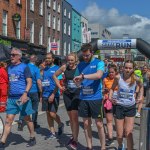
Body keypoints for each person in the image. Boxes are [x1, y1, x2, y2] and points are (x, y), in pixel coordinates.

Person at [0, 48, 36, 149]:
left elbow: (29, 81)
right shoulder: (9, 68)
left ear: (19, 56)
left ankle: (32, 136)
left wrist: (25, 94)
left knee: (27, 118)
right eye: (11, 55)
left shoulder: (25, 67)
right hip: (11, 98)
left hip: (22, 97)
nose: (11, 56)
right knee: (8, 120)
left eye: (13, 55)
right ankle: (2, 142)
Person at [73, 43, 106, 150]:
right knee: (86, 124)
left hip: (96, 98)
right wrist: (77, 82)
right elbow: (78, 83)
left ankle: (103, 147)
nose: (85, 57)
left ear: (92, 53)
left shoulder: (99, 63)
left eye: (87, 55)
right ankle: (89, 147)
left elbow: (99, 75)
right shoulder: (80, 65)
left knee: (99, 124)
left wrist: (83, 76)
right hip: (83, 98)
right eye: (84, 55)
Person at [109, 60, 143, 150]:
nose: (128, 70)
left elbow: (141, 85)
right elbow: (112, 89)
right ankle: (120, 146)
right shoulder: (118, 77)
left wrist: (140, 97)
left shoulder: (136, 78)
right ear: (123, 68)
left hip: (130, 107)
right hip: (119, 106)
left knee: (129, 132)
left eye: (130, 68)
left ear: (133, 69)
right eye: (126, 67)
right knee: (120, 134)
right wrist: (110, 98)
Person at [53, 52, 80, 150]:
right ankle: (73, 137)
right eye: (68, 60)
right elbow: (54, 76)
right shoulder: (64, 67)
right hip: (67, 94)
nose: (70, 62)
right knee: (71, 118)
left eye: (72, 60)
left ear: (75, 60)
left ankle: (75, 140)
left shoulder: (79, 68)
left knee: (75, 117)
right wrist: (60, 87)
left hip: (76, 94)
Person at [41, 52, 64, 139]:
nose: (47, 60)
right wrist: (41, 95)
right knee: (47, 113)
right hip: (45, 95)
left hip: (54, 95)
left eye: (49, 58)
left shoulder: (57, 68)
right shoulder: (45, 69)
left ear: (53, 59)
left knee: (52, 113)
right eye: (46, 58)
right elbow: (44, 82)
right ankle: (52, 132)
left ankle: (60, 124)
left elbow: (58, 83)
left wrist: (53, 94)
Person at [17, 55, 43, 130]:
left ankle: (21, 120)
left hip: (25, 91)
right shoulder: (36, 69)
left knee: (23, 107)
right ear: (35, 60)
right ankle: (34, 123)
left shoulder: (24, 67)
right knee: (34, 108)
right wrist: (41, 93)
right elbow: (38, 82)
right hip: (34, 91)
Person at [103, 64, 118, 146]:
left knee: (118, 120)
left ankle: (120, 136)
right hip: (108, 102)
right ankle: (110, 137)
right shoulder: (105, 79)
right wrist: (104, 91)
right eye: (109, 72)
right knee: (109, 120)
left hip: (118, 102)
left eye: (112, 72)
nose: (111, 74)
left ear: (116, 72)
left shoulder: (119, 79)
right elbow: (102, 90)